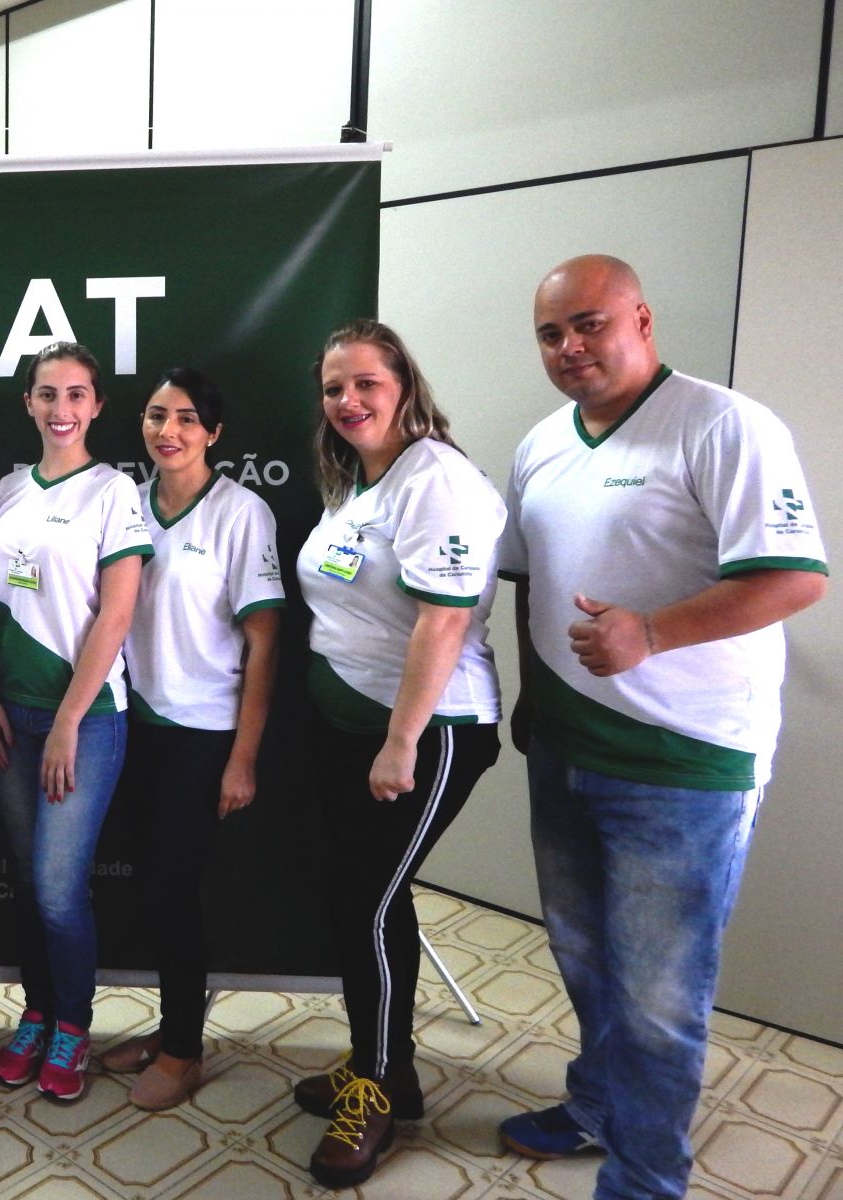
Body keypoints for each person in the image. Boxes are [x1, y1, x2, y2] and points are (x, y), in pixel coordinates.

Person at [495, 256, 827, 1200]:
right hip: (565, 748)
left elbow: (794, 577)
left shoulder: (724, 425)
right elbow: (529, 582)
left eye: (589, 324)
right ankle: (599, 1105)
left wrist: (654, 632)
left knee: (658, 997)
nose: (569, 346)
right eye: (551, 333)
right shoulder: (542, 443)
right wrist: (532, 699)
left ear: (641, 319)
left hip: (683, 766)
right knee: (584, 958)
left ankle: (645, 1180)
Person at [292, 320, 506, 1189]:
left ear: (404, 387)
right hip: (354, 730)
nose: (348, 401)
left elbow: (444, 621)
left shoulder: (435, 479)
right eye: (334, 388)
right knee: (368, 902)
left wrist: (401, 741)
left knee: (367, 907)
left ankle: (374, 1094)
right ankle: (390, 1068)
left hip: (428, 732)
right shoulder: (360, 483)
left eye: (366, 384)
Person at [98, 367, 284, 1110]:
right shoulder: (126, 502)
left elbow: (264, 643)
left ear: (213, 432)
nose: (167, 431)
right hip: (128, 724)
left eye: (184, 419)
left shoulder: (242, 513)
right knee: (147, 889)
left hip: (201, 733)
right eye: (155, 416)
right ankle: (168, 1029)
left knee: (173, 890)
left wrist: (243, 758)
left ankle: (182, 1050)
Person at [0, 341, 152, 1103]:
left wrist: (67, 722)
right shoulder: (8, 487)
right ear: (28, 402)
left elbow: (116, 615)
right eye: (48, 394)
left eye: (77, 395)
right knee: (26, 882)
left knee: (57, 889)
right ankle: (37, 1013)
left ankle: (73, 1025)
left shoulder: (114, 492)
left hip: (84, 721)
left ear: (96, 405)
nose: (62, 409)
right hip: (9, 716)